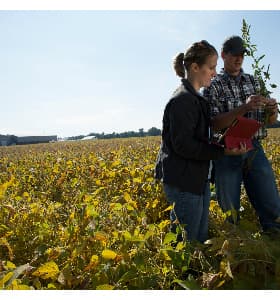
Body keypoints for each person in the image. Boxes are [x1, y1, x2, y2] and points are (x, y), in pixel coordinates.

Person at [155, 40, 247, 243]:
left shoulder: (195, 98)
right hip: (184, 181)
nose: (214, 73)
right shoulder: (183, 100)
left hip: (197, 178)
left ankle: (195, 273)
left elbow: (199, 137)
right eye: (211, 68)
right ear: (195, 67)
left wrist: (224, 144)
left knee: (199, 238)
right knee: (188, 243)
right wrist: (223, 151)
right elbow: (184, 145)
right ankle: (188, 275)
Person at [203, 35, 280, 231]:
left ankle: (273, 239)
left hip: (254, 148)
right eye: (234, 54)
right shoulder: (214, 85)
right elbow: (213, 124)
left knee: (271, 203)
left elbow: (270, 121)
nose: (239, 58)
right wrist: (243, 109)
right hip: (226, 152)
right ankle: (237, 248)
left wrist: (272, 110)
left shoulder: (254, 82)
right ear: (223, 55)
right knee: (231, 212)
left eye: (242, 55)